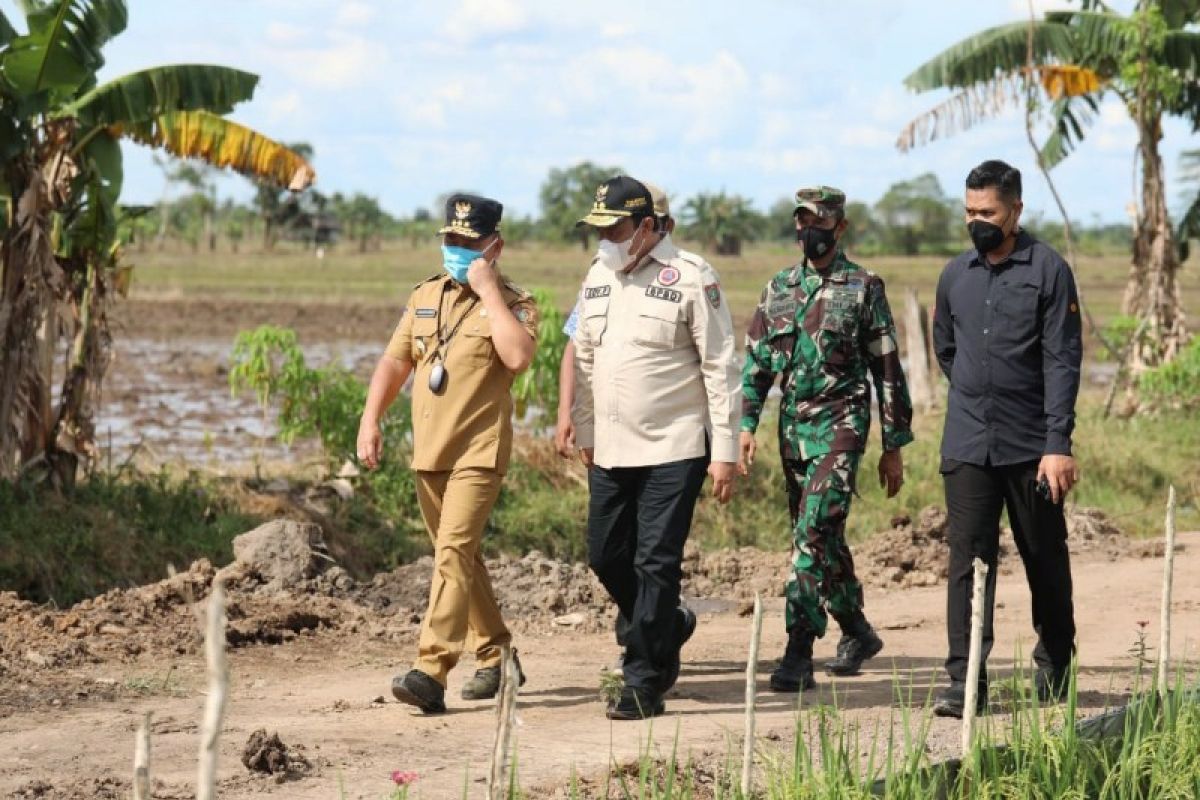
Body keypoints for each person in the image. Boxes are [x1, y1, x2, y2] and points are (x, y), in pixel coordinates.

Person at [356, 193, 539, 715]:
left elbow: (518, 356)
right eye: (450, 240)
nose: (456, 249)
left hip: (478, 454)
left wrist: (488, 293)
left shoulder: (514, 302)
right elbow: (395, 364)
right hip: (429, 453)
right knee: (460, 559)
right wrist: (371, 420)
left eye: (467, 242)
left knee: (453, 554)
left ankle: (431, 669)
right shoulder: (424, 297)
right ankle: (499, 655)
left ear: (494, 246)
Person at [571, 175, 741, 719]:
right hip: (613, 447)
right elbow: (584, 358)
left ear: (646, 227)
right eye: (598, 228)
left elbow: (720, 365)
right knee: (605, 554)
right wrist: (584, 428)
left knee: (655, 563)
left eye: (614, 227)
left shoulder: (691, 276)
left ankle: (644, 678)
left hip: (675, 446)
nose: (605, 238)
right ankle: (667, 622)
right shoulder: (597, 275)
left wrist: (727, 451)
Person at [740, 185, 914, 693]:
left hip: (842, 426)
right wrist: (745, 426)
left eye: (818, 221)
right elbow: (757, 364)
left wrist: (893, 445)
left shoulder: (863, 286)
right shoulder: (779, 288)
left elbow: (887, 368)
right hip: (793, 433)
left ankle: (798, 649)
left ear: (839, 227)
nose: (807, 230)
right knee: (821, 538)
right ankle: (857, 631)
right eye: (801, 221)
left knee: (811, 536)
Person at [931, 159, 1082, 718]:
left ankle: (1056, 665)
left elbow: (1063, 360)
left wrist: (1057, 442)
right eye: (969, 212)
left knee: (1043, 556)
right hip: (968, 443)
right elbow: (946, 349)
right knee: (968, 563)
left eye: (987, 212)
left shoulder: (1048, 270)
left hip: (1033, 448)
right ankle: (965, 681)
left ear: (1016, 210)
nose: (977, 222)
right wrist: (979, 392)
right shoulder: (955, 275)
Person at [555, 182, 674, 664]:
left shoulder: (678, 276)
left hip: (661, 439)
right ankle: (651, 618)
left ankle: (647, 645)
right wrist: (568, 413)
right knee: (608, 549)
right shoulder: (598, 273)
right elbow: (576, 346)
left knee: (651, 549)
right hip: (606, 430)